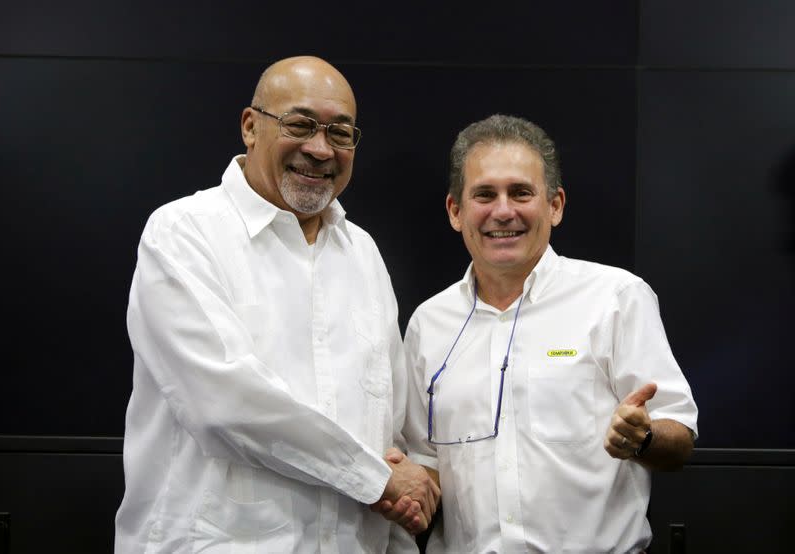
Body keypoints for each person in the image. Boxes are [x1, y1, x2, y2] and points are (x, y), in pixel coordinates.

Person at [114, 55, 439, 553]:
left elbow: (387, 426)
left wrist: (395, 495)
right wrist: (375, 480)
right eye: (300, 124)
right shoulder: (184, 233)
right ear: (250, 126)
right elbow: (224, 404)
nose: (319, 148)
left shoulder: (363, 254)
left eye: (340, 133)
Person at [400, 114, 698, 553]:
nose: (503, 211)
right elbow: (425, 463)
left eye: (521, 192)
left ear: (555, 205)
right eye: (485, 194)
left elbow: (680, 434)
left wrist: (644, 439)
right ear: (455, 212)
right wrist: (404, 490)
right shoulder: (429, 323)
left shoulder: (616, 298)